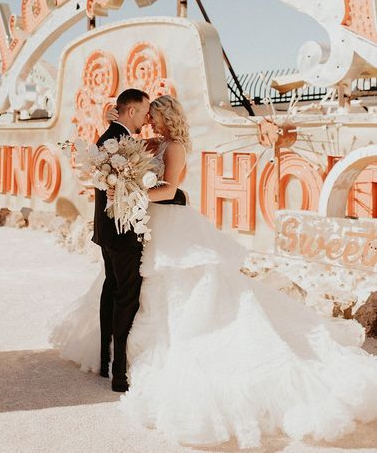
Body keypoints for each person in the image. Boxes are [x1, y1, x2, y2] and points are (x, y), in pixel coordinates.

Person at [51, 94, 377, 449]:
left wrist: (133, 191)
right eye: (146, 113)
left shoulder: (173, 147)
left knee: (170, 288)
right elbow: (119, 144)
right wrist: (109, 118)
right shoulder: (148, 141)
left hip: (166, 222)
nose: (149, 119)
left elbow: (170, 188)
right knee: (129, 288)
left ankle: (124, 363)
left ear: (166, 118)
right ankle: (114, 358)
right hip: (145, 225)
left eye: (154, 114)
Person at [92, 87, 150, 392]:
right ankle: (119, 373)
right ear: (130, 111)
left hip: (107, 231)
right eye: (144, 111)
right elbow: (123, 187)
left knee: (110, 290)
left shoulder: (108, 137)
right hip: (122, 233)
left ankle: (105, 360)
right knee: (127, 298)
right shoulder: (120, 143)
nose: (147, 117)